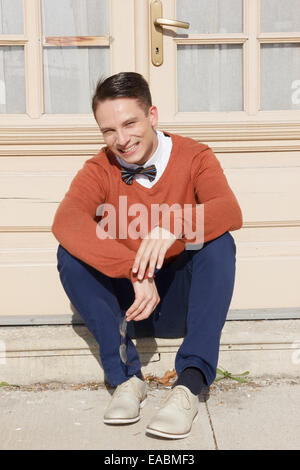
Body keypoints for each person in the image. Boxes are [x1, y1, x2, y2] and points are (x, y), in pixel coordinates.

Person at [52, 72, 243, 439]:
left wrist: (176, 222)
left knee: (219, 244)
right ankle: (127, 379)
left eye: (129, 123)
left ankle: (188, 385)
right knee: (69, 254)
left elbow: (229, 209)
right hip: (129, 303)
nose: (121, 140)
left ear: (152, 115)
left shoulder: (194, 156)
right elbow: (66, 221)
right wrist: (134, 271)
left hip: (181, 301)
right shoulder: (99, 168)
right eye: (108, 131)